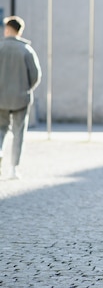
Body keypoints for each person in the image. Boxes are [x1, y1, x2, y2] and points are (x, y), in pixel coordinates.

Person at [0, 16, 42, 179]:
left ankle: (0, 151)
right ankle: (13, 169)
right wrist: (26, 88)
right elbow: (36, 75)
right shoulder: (26, 50)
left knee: (0, 130)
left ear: (9, 29)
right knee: (19, 132)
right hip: (20, 98)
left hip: (1, 98)